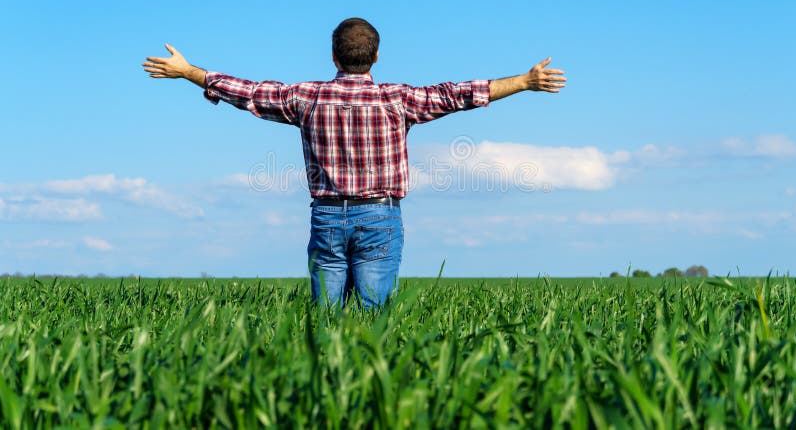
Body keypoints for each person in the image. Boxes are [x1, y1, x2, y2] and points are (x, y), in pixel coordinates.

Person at [142, 18, 566, 307]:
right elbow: (460, 94)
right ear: (376, 57)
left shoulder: (305, 97)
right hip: (380, 217)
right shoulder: (397, 100)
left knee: (325, 322)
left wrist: (187, 72)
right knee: (371, 324)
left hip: (326, 217)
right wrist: (526, 82)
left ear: (333, 56)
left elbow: (248, 91)